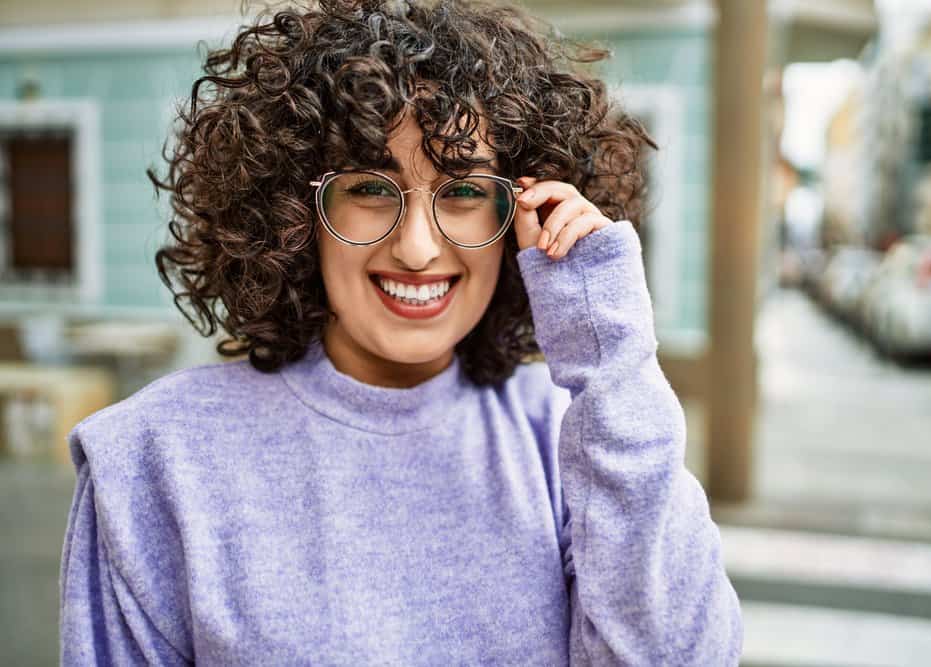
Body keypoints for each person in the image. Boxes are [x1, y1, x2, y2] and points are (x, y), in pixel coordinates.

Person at [59, 0, 743, 664]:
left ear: (517, 213)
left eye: (466, 191)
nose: (418, 247)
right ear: (295, 213)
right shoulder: (154, 459)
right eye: (369, 188)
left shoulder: (575, 437)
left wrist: (605, 341)